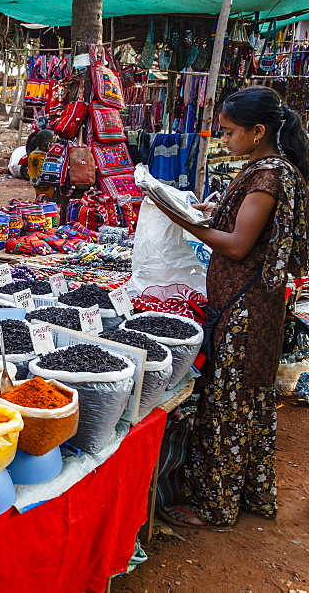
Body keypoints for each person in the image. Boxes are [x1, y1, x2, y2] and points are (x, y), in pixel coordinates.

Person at [154, 86, 308, 531]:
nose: (223, 140)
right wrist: (203, 210)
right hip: (253, 305)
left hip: (246, 308)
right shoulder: (271, 170)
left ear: (258, 131)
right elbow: (247, 225)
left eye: (229, 132)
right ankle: (249, 493)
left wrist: (187, 222)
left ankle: (214, 507)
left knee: (227, 404)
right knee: (247, 402)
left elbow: (239, 246)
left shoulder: (268, 176)